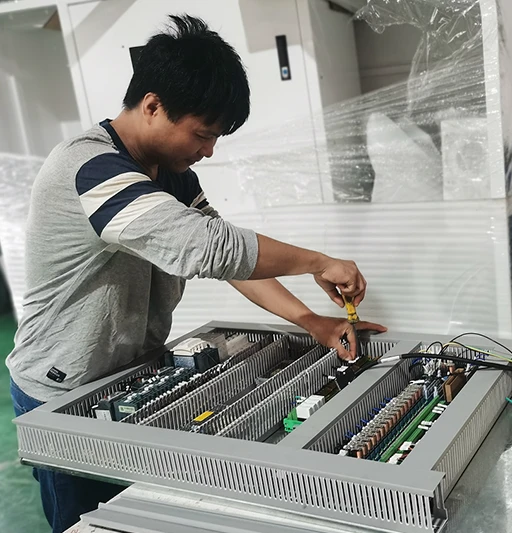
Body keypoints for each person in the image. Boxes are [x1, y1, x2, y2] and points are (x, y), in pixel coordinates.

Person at [6, 14, 385, 533]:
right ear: (152, 106)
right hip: (63, 389)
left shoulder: (170, 175)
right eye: (203, 134)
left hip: (130, 376)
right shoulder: (89, 169)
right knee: (89, 524)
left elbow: (231, 259)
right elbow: (207, 248)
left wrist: (311, 321)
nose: (208, 151)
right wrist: (320, 262)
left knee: (141, 517)